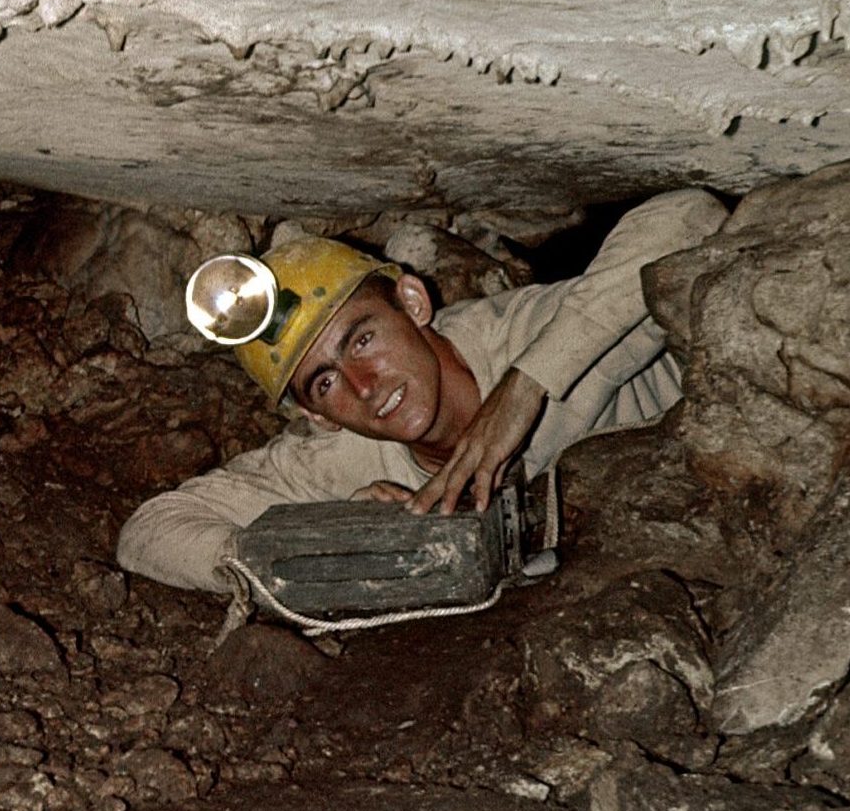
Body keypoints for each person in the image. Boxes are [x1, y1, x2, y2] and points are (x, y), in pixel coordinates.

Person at [117, 188, 727, 593]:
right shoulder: (336, 457)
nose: (363, 385)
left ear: (412, 302)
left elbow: (694, 216)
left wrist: (525, 387)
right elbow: (149, 531)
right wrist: (305, 550)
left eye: (361, 340)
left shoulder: (524, 332)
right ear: (318, 416)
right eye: (325, 382)